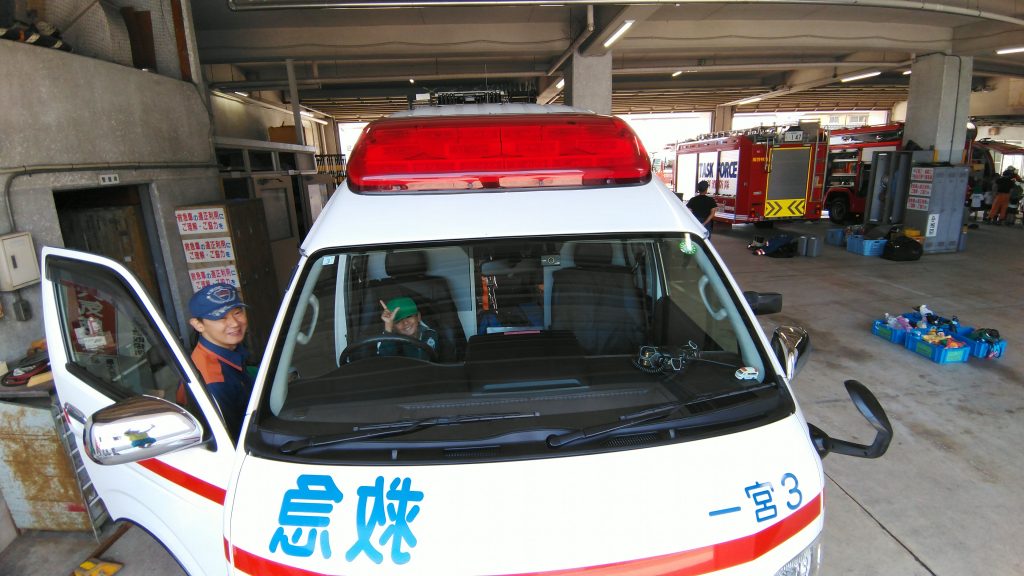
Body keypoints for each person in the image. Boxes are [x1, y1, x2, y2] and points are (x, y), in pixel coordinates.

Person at [186, 283, 254, 439]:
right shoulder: (213, 380)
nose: (234, 323)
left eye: (237, 312)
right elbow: (233, 439)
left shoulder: (228, 348)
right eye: (220, 317)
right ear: (198, 325)